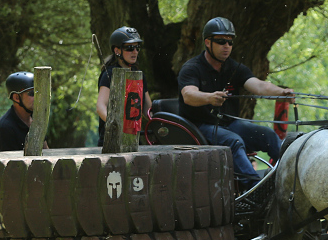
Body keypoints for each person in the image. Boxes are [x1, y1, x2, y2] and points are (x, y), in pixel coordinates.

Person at [178, 17, 294, 190]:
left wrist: (281, 92)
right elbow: (188, 95)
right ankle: (255, 189)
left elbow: (259, 86)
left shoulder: (234, 67)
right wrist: (209, 97)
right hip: (200, 126)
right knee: (234, 141)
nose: (227, 46)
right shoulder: (192, 67)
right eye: (221, 41)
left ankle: (290, 179)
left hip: (229, 124)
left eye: (230, 42)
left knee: (268, 135)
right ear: (207, 42)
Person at [96, 26, 152, 146]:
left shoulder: (139, 74)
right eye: (130, 48)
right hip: (111, 139)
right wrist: (116, 125)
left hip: (134, 138)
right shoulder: (109, 74)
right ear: (117, 50)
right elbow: (101, 106)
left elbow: (148, 109)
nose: (135, 52)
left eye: (137, 48)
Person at [0, 71, 40, 152]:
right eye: (32, 93)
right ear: (16, 97)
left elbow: (45, 152)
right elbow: (10, 164)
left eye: (38, 92)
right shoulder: (5, 129)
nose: (37, 97)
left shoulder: (36, 119)